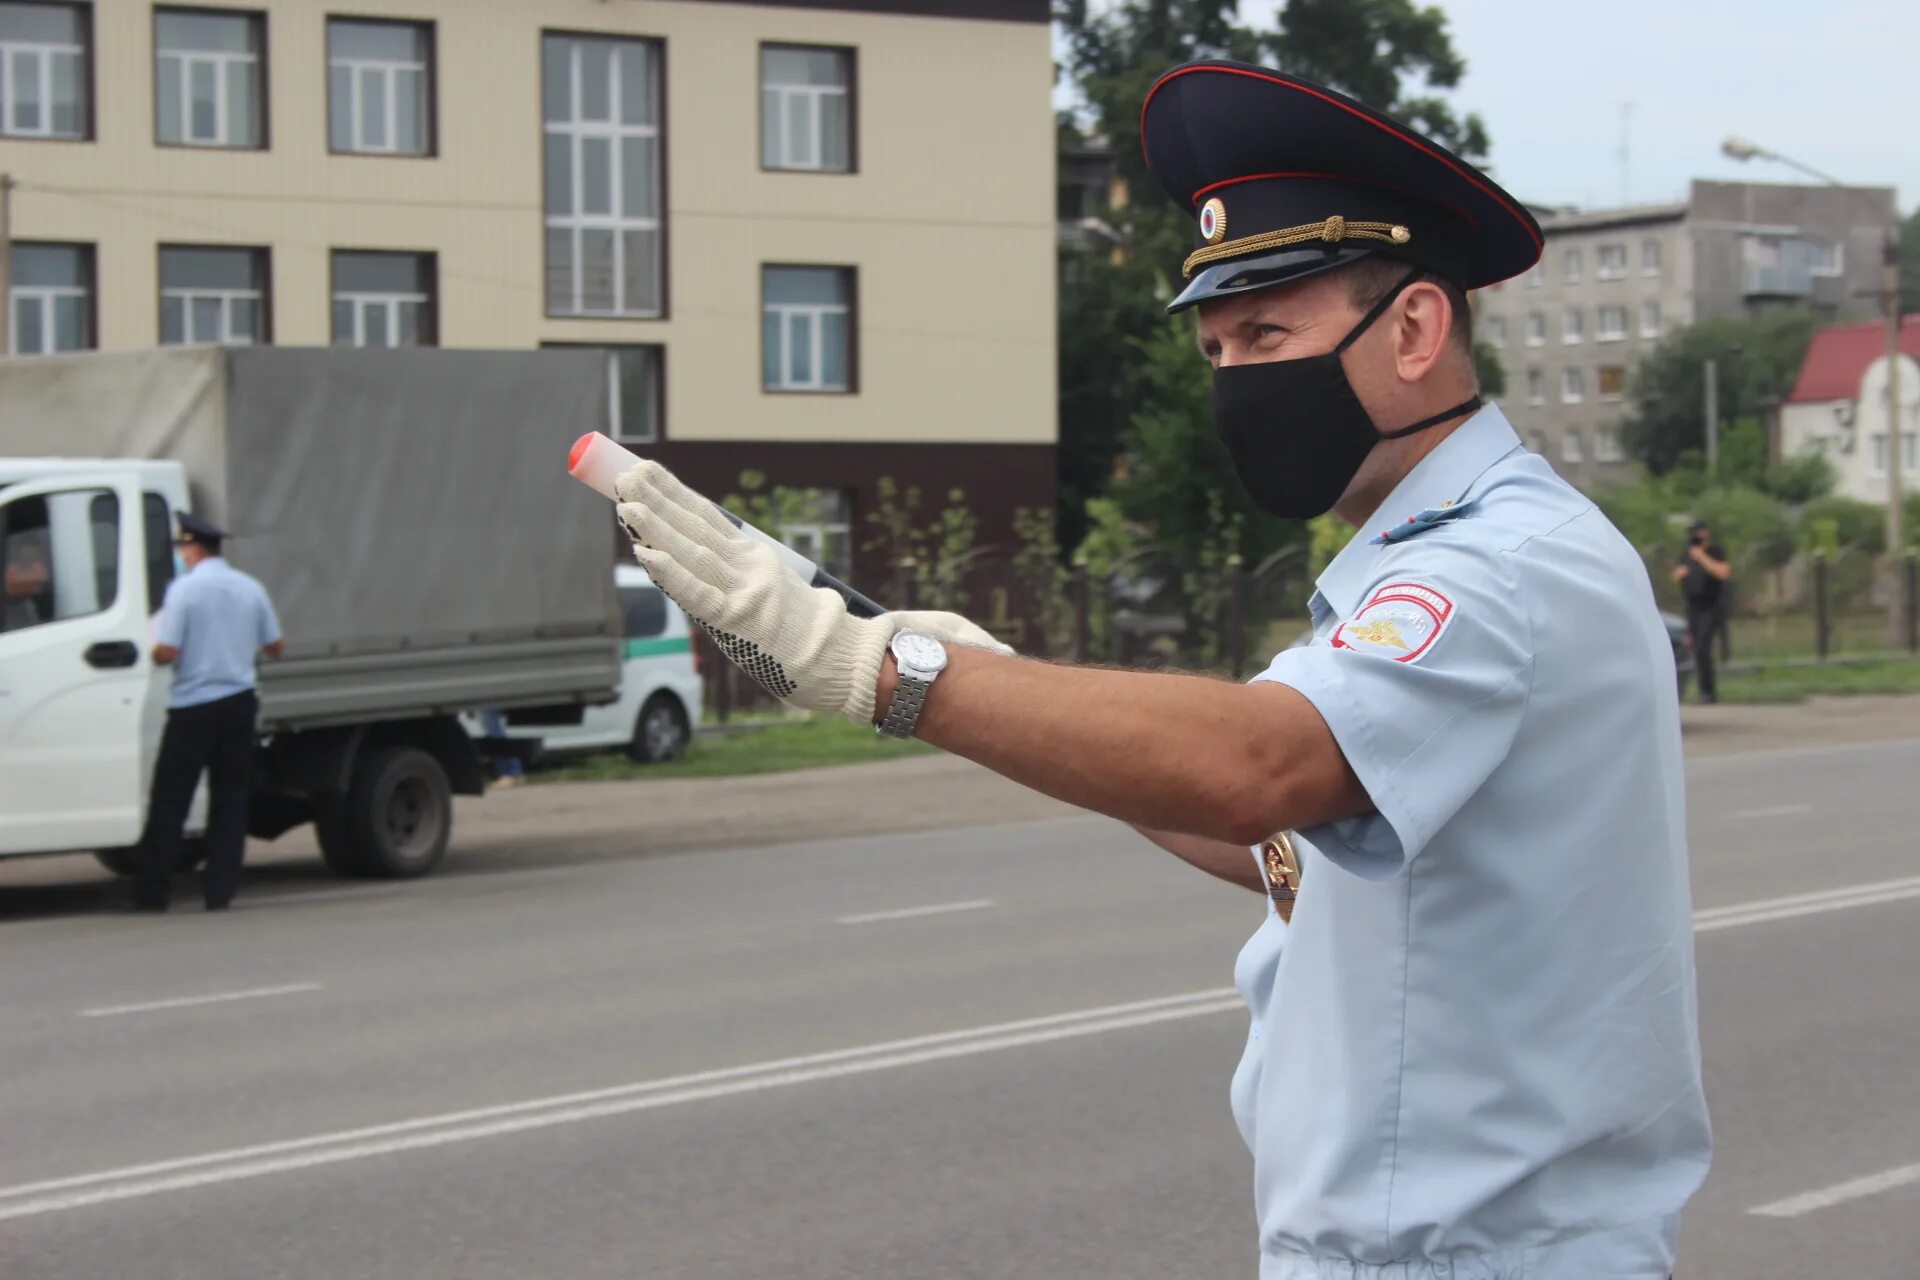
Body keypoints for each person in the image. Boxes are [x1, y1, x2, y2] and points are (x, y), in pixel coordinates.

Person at [609, 61, 1709, 1279]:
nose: (1236, 379)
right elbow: (1289, 846)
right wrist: (996, 683)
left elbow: (1254, 764)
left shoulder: (1489, 569)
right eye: (1218, 346)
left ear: (1413, 326)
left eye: (1268, 333)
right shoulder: (1457, 553)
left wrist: (882, 669)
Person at [133, 512, 284, 912]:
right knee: (230, 800)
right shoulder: (251, 588)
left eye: (183, 548)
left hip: (192, 708)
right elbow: (275, 646)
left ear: (193, 548)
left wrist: (152, 648)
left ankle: (153, 893)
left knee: (171, 800)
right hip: (238, 704)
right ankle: (220, 892)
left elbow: (169, 651)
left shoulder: (183, 591)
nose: (182, 555)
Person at [1673, 520, 1731, 702]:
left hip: (1711, 606)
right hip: (1693, 607)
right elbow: (1677, 574)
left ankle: (1708, 692)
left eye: (1698, 532)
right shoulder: (1686, 554)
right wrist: (1680, 573)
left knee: (1703, 647)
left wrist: (1701, 558)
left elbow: (1723, 573)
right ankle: (1702, 690)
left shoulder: (1714, 552)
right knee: (1696, 648)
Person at [2, 532, 51, 632]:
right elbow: (12, 588)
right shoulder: (12, 569)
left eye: (33, 553)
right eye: (25, 552)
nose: (29, 555)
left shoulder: (39, 568)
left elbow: (41, 586)